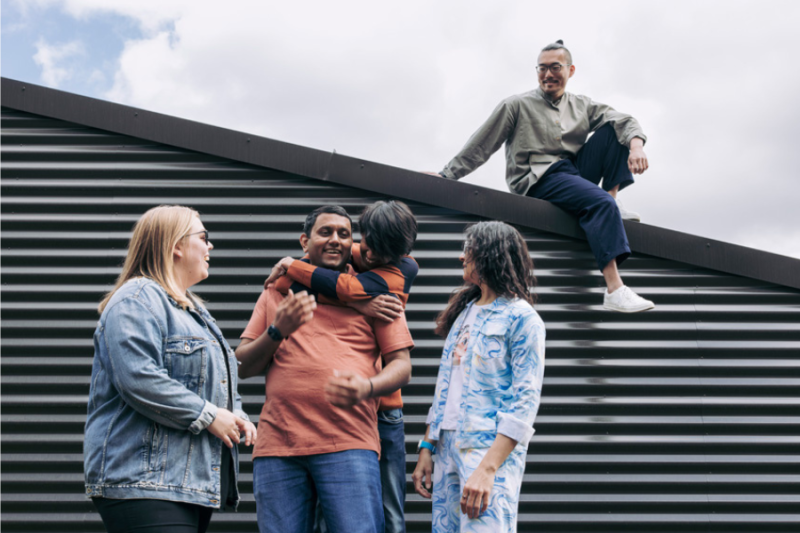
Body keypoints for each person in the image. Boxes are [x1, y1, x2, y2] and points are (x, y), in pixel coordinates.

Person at [433, 40, 655, 313]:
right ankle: (614, 289)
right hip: (539, 178)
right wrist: (446, 175)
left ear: (570, 70)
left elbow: (625, 120)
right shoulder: (516, 105)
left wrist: (637, 146)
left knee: (615, 129)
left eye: (555, 67)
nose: (548, 74)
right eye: (542, 68)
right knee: (599, 204)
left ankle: (609, 200)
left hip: (572, 173)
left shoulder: (581, 105)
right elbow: (482, 143)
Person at [236, 205, 414, 533]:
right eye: (325, 232)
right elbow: (243, 366)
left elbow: (402, 367)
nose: (335, 240)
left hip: (349, 442)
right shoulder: (278, 289)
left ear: (353, 245)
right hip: (278, 445)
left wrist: (368, 387)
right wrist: (277, 330)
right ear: (305, 241)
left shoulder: (377, 291)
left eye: (344, 234)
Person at [84, 205, 257, 533]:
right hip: (143, 481)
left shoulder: (196, 313)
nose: (210, 246)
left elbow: (217, 380)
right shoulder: (136, 299)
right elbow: (138, 378)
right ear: (176, 245)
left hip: (187, 483)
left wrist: (236, 415)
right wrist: (209, 415)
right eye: (203, 237)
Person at [412, 221, 545, 533]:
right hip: (446, 450)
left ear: (489, 255)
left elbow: (525, 403)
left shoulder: (523, 319)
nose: (462, 258)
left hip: (488, 454)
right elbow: (445, 388)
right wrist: (427, 447)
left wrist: (488, 469)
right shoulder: (464, 314)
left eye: (468, 250)